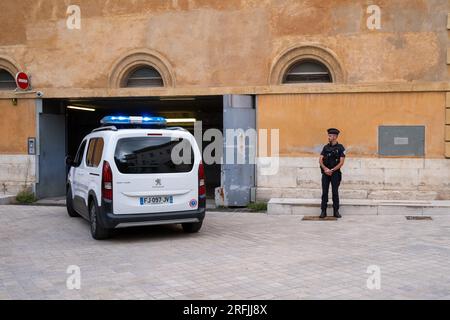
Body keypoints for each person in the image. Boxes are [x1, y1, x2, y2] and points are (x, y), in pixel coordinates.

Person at [319, 128, 346, 219]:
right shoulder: (325, 147)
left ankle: (336, 211)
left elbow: (341, 162)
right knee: (324, 192)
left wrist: (332, 170)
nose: (329, 137)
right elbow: (320, 159)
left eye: (330, 136)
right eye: (329, 135)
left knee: (335, 192)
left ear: (335, 137)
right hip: (325, 173)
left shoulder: (341, 148)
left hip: (335, 174)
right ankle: (323, 211)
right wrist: (325, 168)